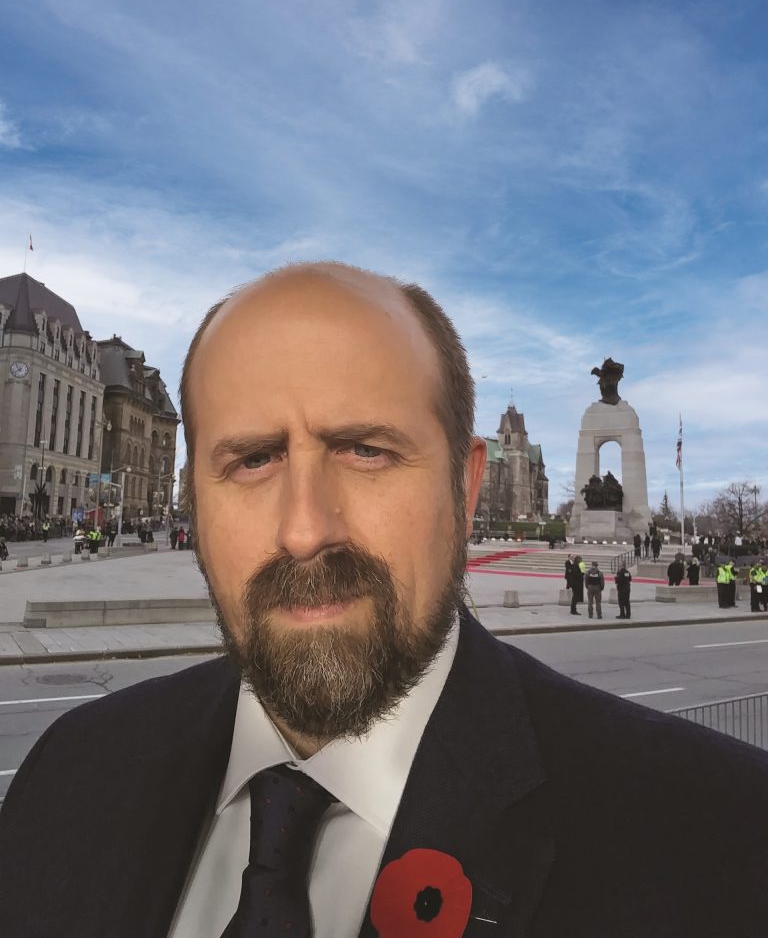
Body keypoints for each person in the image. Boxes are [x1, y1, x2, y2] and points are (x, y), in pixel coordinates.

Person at [2, 263, 768, 937]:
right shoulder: (68, 771)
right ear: (193, 498)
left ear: (465, 488)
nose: (305, 530)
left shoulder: (725, 838)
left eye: (366, 451)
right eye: (253, 459)